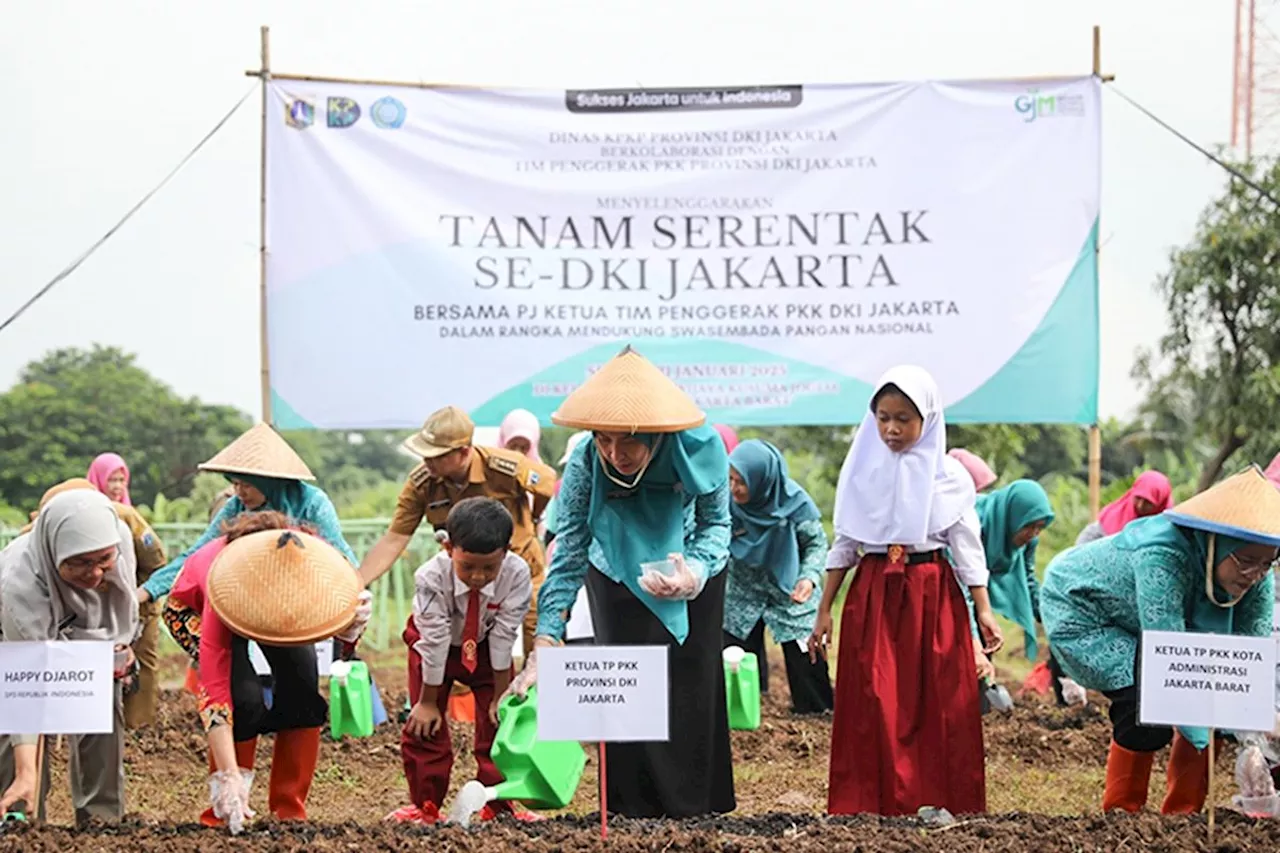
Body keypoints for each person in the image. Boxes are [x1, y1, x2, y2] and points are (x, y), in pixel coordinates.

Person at [510, 345, 736, 818]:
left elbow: (718, 525)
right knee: (627, 688)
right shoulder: (587, 466)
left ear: (657, 434)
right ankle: (631, 812)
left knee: (686, 688)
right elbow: (568, 547)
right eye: (604, 439)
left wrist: (693, 570)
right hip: (614, 576)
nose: (616, 454)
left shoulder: (700, 451)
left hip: (692, 571)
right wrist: (547, 639)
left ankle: (694, 810)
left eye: (629, 441)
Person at [811, 365, 1002, 817]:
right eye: (883, 417)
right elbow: (846, 545)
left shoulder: (950, 479)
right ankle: (868, 802)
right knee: (874, 697)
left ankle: (940, 798)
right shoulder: (861, 469)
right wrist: (824, 610)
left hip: (931, 595)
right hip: (874, 593)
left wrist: (985, 612)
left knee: (939, 699)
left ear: (928, 419)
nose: (892, 429)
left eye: (903, 419)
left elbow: (966, 549)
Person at [1041, 466, 1279, 814]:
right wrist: (1218, 708)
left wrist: (1253, 733)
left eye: (1267, 564)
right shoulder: (1162, 556)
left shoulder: (1257, 570)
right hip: (1085, 610)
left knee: (1219, 698)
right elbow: (1168, 657)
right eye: (1245, 562)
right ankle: (1123, 814)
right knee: (1143, 706)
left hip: (1139, 618)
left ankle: (1183, 816)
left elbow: (1247, 662)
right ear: (1217, 543)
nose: (1255, 575)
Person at [163, 516, 370, 831]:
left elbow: (341, 637)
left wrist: (352, 627)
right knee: (243, 696)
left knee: (302, 684)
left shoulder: (311, 559)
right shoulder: (223, 583)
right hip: (195, 607)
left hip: (280, 602)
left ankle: (289, 812)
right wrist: (228, 775)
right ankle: (226, 808)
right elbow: (216, 691)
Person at [358, 405, 554, 659]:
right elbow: (395, 538)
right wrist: (356, 583)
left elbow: (546, 485)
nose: (427, 461)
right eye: (424, 454)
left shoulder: (503, 467)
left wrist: (534, 516)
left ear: (463, 452)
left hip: (520, 568)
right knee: (456, 646)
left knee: (539, 637)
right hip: (463, 577)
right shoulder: (422, 483)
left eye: (436, 455)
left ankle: (542, 695)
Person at [388, 497, 535, 825]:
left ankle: (499, 804)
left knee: (500, 721)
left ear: (507, 551)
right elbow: (435, 641)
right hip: (432, 646)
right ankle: (425, 805)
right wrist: (427, 702)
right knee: (425, 725)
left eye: (489, 567)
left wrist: (500, 693)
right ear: (448, 547)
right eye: (467, 566)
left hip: (486, 646)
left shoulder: (516, 573)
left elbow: (504, 634)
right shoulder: (430, 577)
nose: (479, 577)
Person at [0, 490, 140, 824]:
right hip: (15, 644)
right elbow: (26, 680)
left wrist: (121, 643)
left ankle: (100, 819)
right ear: (54, 554)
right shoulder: (18, 579)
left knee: (101, 700)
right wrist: (26, 770)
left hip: (82, 635)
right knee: (12, 727)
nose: (94, 573)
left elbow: (121, 605)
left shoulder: (118, 539)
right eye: (78, 562)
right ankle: (21, 816)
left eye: (103, 560)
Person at [137, 422, 357, 606]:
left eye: (248, 485)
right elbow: (197, 554)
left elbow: (339, 557)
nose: (240, 492)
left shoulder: (312, 504)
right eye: (235, 484)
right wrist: (149, 590)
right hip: (252, 596)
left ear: (268, 483)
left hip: (311, 594)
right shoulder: (236, 506)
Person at [21, 479, 168, 729]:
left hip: (134, 601)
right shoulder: (37, 533)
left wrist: (136, 599)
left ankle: (138, 728)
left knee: (140, 664)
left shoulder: (126, 519)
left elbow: (156, 562)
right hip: (76, 606)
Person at [722, 439, 833, 714]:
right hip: (742, 592)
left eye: (742, 481)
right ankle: (744, 713)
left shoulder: (794, 504)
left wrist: (809, 578)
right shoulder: (725, 503)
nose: (733, 487)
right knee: (733, 661)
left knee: (807, 657)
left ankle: (816, 714)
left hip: (791, 589)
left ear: (764, 479)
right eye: (731, 478)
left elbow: (816, 544)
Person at [1075, 470, 1172, 546]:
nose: (1140, 505)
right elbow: (1084, 543)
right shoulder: (1114, 516)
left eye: (1148, 502)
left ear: (1160, 503)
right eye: (1138, 498)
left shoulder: (1166, 528)